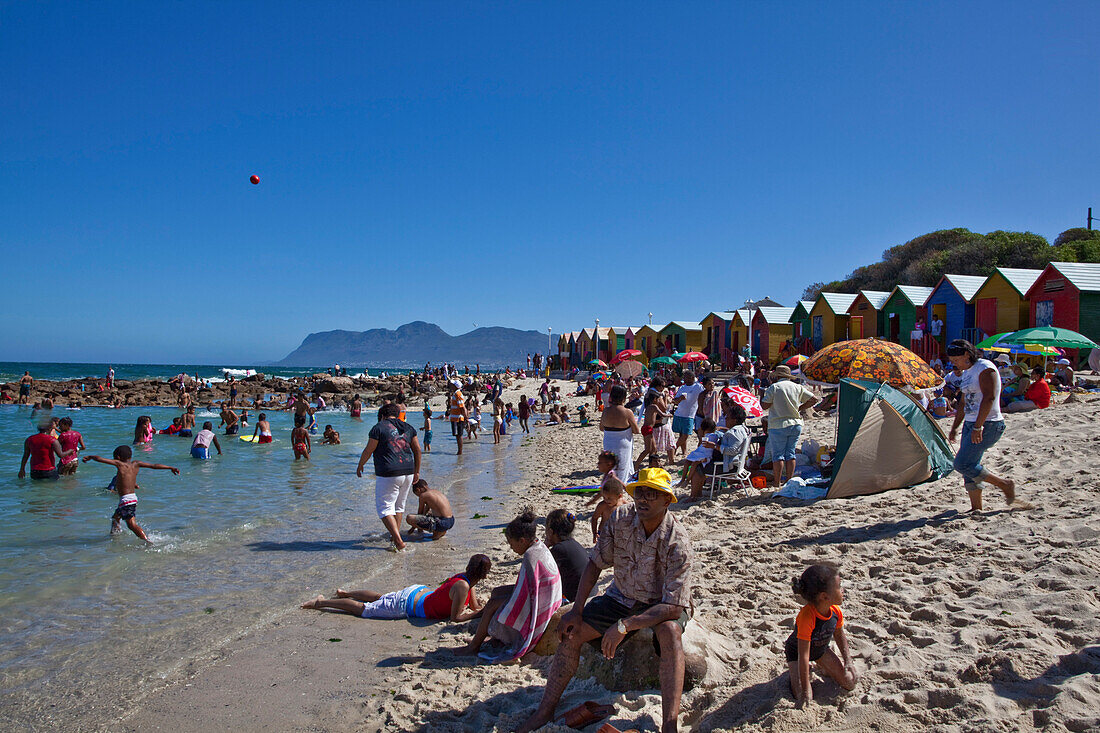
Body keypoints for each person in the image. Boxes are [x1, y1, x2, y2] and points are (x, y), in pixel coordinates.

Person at [517, 468, 693, 733]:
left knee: (670, 632)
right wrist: (576, 610)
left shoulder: (676, 540)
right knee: (570, 631)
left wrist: (625, 625)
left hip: (659, 604)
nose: (644, 499)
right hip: (621, 596)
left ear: (667, 501)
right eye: (640, 493)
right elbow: (595, 563)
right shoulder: (620, 518)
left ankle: (670, 724)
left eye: (652, 494)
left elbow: (674, 605)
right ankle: (545, 710)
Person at [454, 509, 562, 662]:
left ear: (522, 540)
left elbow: (525, 597)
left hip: (540, 606)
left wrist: (499, 604)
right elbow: (527, 587)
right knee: (497, 592)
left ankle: (474, 647)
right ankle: (491, 637)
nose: (511, 548)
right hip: (543, 597)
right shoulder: (538, 546)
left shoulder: (531, 557)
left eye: (512, 543)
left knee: (492, 605)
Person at [300, 554, 491, 622]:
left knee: (379, 597)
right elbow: (456, 617)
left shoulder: (466, 580)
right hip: (408, 605)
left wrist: (478, 610)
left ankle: (345, 592)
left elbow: (473, 606)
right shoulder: (463, 586)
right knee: (364, 610)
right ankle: (320, 602)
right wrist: (482, 614)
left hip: (417, 593)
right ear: (484, 575)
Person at [946, 339, 1016, 511]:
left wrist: (978, 426)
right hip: (971, 424)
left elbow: (989, 397)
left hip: (988, 423)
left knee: (963, 464)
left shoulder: (985, 367)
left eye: (956, 360)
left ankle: (1005, 485)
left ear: (966, 355)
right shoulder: (967, 372)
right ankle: (976, 508)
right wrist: (955, 427)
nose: (954, 364)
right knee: (969, 467)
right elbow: (963, 403)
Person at [785, 564, 857, 705]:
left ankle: (823, 666)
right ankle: (793, 674)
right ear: (825, 596)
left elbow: (839, 635)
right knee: (804, 697)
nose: (843, 590)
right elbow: (803, 656)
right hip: (797, 654)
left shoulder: (835, 611)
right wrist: (805, 689)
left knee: (849, 682)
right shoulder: (807, 617)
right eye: (839, 587)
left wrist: (848, 660)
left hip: (820, 650)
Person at [356, 402, 421, 552]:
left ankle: (398, 541)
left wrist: (360, 465)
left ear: (383, 415)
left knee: (384, 508)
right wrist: (417, 471)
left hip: (389, 472)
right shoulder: (408, 427)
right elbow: (417, 449)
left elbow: (369, 449)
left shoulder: (379, 427)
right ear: (398, 414)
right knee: (398, 507)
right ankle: (394, 539)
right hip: (408, 471)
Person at [83, 446, 179, 544]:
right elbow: (154, 465)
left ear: (118, 457)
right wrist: (170, 467)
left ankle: (148, 542)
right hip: (132, 498)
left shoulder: (120, 464)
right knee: (116, 517)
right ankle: (114, 537)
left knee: (131, 525)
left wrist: (90, 456)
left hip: (126, 500)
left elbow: (100, 459)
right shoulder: (136, 464)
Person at [760, 365, 817, 488]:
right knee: (790, 454)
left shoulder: (774, 387)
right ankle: (789, 481)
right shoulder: (797, 387)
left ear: (777, 376)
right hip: (795, 423)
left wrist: (761, 395)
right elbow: (814, 399)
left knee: (778, 456)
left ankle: (777, 482)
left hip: (778, 424)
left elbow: (764, 406)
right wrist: (800, 408)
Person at [545, 509, 589, 604]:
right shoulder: (574, 544)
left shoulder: (559, 550)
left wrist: (545, 547)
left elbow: (540, 571)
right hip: (590, 597)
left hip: (581, 604)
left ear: (550, 532)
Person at [600, 385, 641, 482]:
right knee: (622, 466)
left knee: (610, 465)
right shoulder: (627, 412)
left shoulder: (605, 411)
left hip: (608, 441)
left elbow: (601, 428)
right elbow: (636, 431)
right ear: (623, 398)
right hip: (622, 443)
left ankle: (610, 482)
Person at [670, 373, 704, 457]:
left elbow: (703, 395)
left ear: (692, 378)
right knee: (682, 434)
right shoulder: (682, 387)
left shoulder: (698, 387)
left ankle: (674, 448)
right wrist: (680, 398)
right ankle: (684, 451)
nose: (684, 379)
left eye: (686, 377)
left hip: (689, 415)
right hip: (679, 413)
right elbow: (675, 401)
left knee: (685, 435)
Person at [590, 473, 632, 540]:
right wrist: (594, 533)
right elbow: (594, 518)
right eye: (604, 497)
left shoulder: (624, 504)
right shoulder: (602, 506)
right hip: (604, 533)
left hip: (620, 534)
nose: (606, 500)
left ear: (619, 496)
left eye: (609, 498)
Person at [447, 381, 468, 455]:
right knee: (457, 435)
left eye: (452, 385)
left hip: (457, 418)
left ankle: (460, 452)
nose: (451, 386)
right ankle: (459, 451)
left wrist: (466, 418)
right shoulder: (456, 394)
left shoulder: (458, 394)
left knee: (459, 435)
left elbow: (462, 407)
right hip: (455, 418)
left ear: (455, 386)